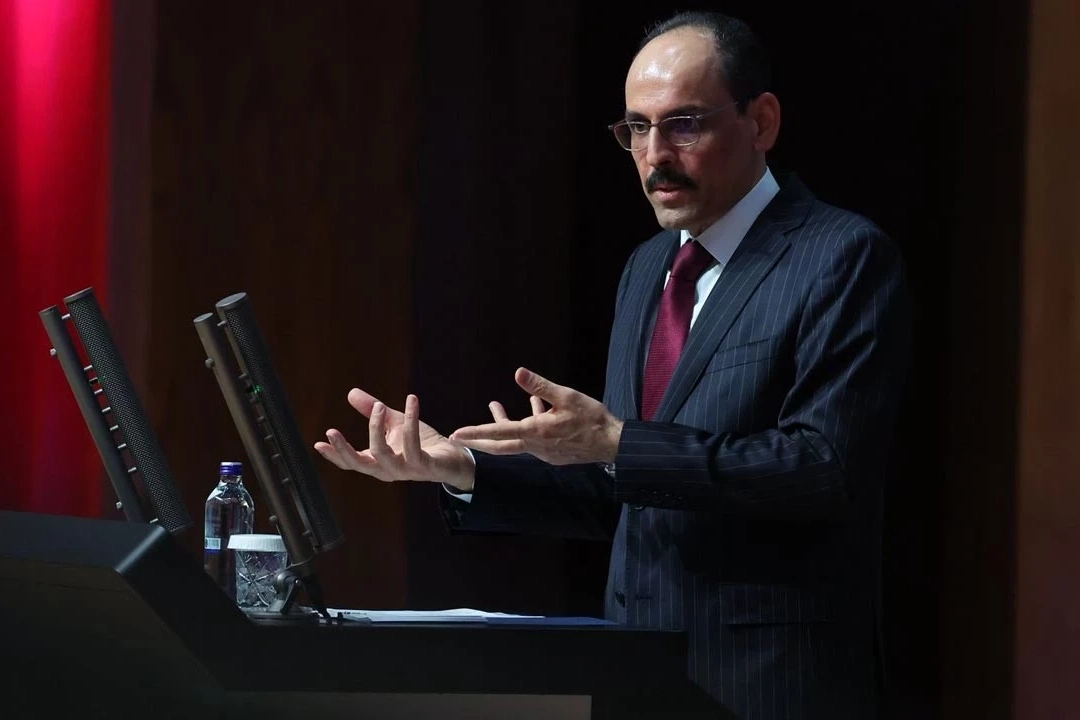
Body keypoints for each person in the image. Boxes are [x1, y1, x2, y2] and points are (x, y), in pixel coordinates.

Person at [316, 10, 910, 719]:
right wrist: (465, 469)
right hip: (637, 677)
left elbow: (822, 470)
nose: (655, 155)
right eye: (636, 128)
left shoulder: (839, 257)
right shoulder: (648, 267)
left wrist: (618, 442)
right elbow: (628, 490)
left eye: (683, 124)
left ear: (761, 122)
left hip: (769, 685)